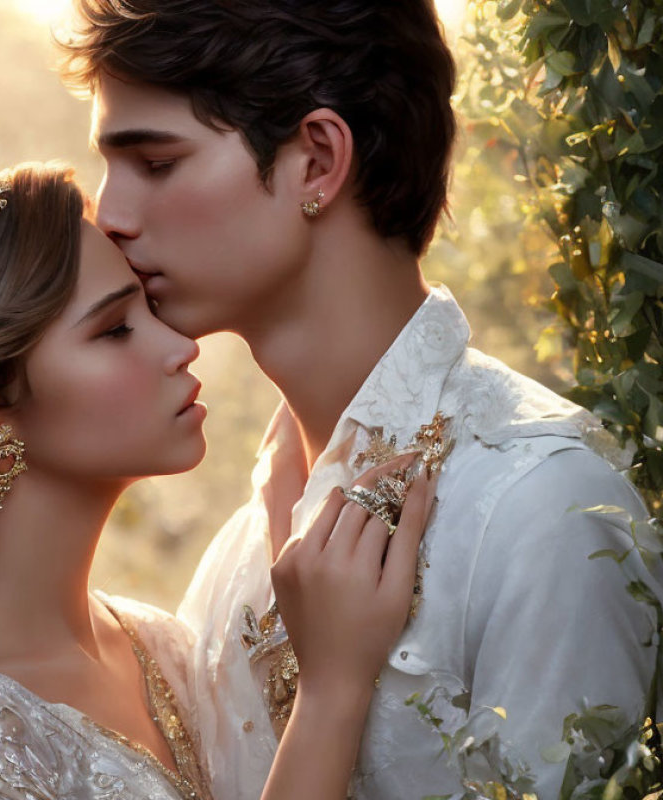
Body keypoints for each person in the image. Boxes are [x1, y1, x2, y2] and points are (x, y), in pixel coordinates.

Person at [60, 1, 659, 798]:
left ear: (316, 161)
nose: (114, 218)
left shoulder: (544, 509)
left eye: (157, 163)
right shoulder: (238, 559)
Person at [0, 163, 436, 800]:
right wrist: (331, 693)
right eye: (114, 330)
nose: (180, 346)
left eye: (146, 309)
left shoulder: (157, 645)